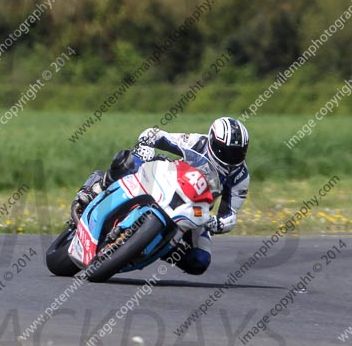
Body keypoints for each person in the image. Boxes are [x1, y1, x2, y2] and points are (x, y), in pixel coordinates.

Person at [71, 117, 250, 275]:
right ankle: (96, 187)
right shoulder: (197, 142)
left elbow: (230, 213)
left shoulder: (240, 176)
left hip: (194, 211)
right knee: (133, 160)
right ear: (213, 141)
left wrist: (217, 223)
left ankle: (158, 246)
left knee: (199, 262)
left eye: (237, 152)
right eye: (226, 151)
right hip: (168, 181)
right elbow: (154, 135)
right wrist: (146, 148)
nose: (232, 157)